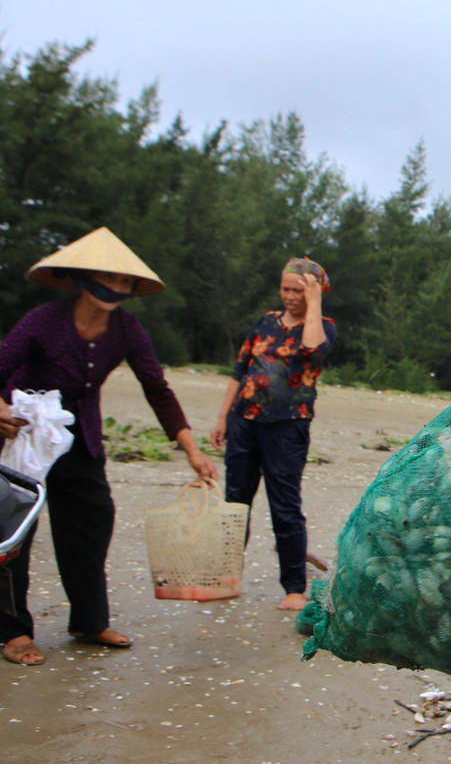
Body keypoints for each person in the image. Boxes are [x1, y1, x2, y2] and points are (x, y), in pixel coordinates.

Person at [0, 227, 217, 666]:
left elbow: (156, 387)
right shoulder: (44, 320)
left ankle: (88, 621)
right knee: (15, 534)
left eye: (124, 282)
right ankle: (14, 633)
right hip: (23, 436)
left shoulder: (127, 329)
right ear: (82, 278)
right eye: (106, 278)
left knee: (93, 519)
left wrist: (192, 449)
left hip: (80, 438)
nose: (115, 288)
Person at [210, 258, 335, 612]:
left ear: (315, 291)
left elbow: (312, 350)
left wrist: (315, 301)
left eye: (299, 289)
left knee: (285, 506)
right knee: (235, 503)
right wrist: (222, 418)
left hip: (287, 428)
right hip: (244, 422)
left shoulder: (323, 327)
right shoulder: (264, 322)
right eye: (286, 289)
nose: (290, 296)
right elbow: (239, 370)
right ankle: (225, 577)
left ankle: (294, 588)